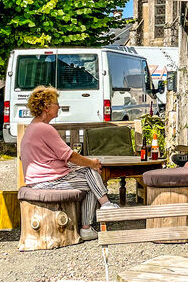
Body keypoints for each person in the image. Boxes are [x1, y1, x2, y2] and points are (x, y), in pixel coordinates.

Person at [19, 85, 118, 241]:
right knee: (90, 173)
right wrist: (92, 163)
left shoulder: (32, 128)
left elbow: (51, 158)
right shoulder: (45, 129)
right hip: (46, 182)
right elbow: (69, 155)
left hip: (39, 180)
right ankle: (105, 206)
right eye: (56, 103)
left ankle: (88, 226)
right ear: (46, 107)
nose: (59, 106)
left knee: (91, 179)